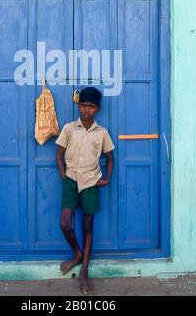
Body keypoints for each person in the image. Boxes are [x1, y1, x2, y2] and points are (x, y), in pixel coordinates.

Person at [55, 86, 115, 295]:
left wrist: (106, 179)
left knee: (87, 226)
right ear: (78, 106)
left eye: (90, 106)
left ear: (97, 108)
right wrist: (65, 177)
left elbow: (110, 158)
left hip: (91, 182)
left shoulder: (102, 133)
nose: (86, 110)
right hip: (71, 180)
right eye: (83, 105)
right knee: (65, 223)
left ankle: (84, 272)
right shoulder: (69, 128)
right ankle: (77, 254)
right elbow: (59, 155)